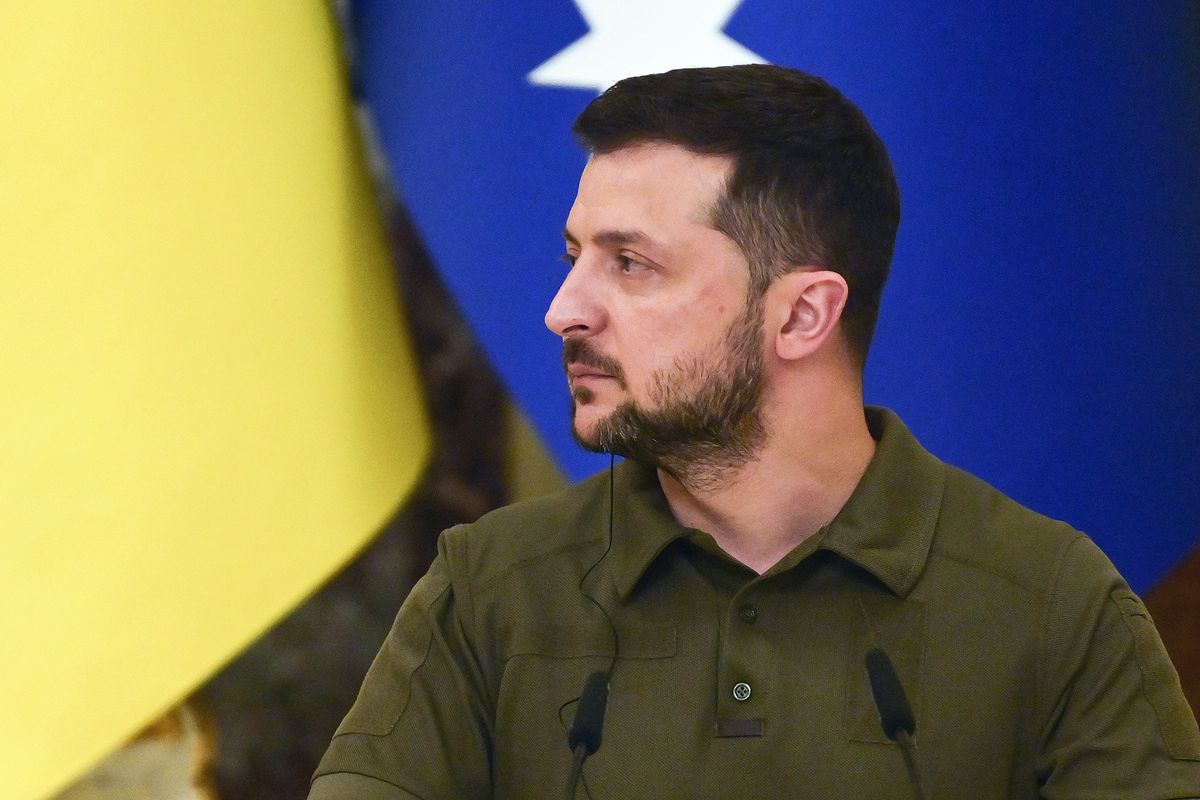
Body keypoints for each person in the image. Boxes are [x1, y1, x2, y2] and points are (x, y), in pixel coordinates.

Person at [309, 65, 1200, 799]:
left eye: (631, 264)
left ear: (803, 315)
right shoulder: (492, 589)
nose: (563, 311)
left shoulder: (1048, 603)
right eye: (573, 258)